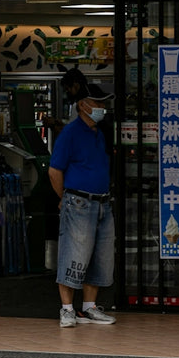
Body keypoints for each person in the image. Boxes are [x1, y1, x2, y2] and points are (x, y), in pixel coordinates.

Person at [49, 82, 116, 326]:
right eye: (97, 103)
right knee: (73, 253)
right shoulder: (70, 132)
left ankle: (89, 307)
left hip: (102, 201)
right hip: (78, 200)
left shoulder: (99, 132)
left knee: (100, 255)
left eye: (103, 103)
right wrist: (63, 197)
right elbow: (54, 170)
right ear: (82, 105)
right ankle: (67, 308)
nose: (102, 108)